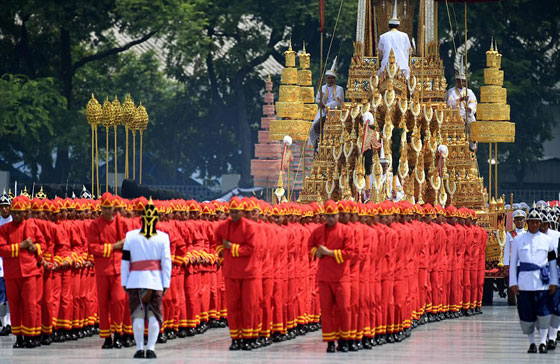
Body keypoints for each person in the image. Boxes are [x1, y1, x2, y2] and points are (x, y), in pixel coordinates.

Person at [121, 198, 171, 359]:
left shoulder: (130, 236)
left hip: (135, 280)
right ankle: (151, 348)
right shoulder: (163, 238)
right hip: (155, 281)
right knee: (154, 314)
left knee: (138, 314)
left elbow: (125, 262)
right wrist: (166, 283)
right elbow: (166, 263)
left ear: (141, 219)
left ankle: (139, 348)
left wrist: (124, 281)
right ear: (156, 219)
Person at [308, 200, 355, 353]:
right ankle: (329, 341)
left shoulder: (345, 231)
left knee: (344, 309)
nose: (330, 219)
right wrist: (317, 252)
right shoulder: (317, 231)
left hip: (341, 277)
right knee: (326, 310)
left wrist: (329, 253)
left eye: (333, 216)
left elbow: (350, 253)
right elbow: (310, 247)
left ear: (338, 216)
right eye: (327, 216)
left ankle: (344, 339)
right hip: (324, 277)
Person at [509, 206, 558, 354]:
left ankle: (543, 342)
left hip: (542, 284)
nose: (535, 225)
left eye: (537, 222)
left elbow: (552, 263)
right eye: (532, 222)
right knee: (526, 314)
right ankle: (532, 342)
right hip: (524, 283)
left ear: (540, 223)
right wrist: (513, 282)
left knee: (543, 313)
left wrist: (554, 282)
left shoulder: (548, 241)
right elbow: (513, 264)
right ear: (527, 223)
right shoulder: (518, 240)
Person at [214, 196, 259, 351]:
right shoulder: (223, 227)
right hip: (231, 272)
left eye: (236, 212)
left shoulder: (249, 227)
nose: (233, 215)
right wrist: (222, 255)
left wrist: (231, 248)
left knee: (248, 306)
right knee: (232, 307)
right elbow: (217, 242)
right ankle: (235, 338)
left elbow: (251, 249)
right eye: (232, 212)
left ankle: (247, 337)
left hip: (247, 273)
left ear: (241, 212)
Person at [308, 57, 345, 150]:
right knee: (314, 127)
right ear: (326, 78)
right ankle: (317, 145)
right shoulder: (322, 88)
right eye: (329, 78)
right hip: (322, 111)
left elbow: (338, 102)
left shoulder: (339, 89)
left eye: (332, 78)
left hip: (334, 113)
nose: (330, 80)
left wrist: (326, 106)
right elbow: (317, 99)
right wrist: (320, 102)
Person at [446, 58, 478, 152]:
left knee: (473, 124)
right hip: (456, 115)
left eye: (464, 81)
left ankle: (473, 145)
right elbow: (449, 103)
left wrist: (470, 108)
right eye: (461, 81)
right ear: (457, 81)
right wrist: (461, 99)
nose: (463, 83)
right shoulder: (451, 91)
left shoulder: (469, 91)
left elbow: (473, 102)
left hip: (467, 114)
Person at [377, 0, 412, 78]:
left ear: (389, 26)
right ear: (399, 26)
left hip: (386, 68)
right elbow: (409, 51)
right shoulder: (404, 36)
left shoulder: (383, 36)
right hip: (402, 67)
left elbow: (380, 53)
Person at [504, 209, 527, 305]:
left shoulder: (527, 233)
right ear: (514, 221)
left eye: (521, 219)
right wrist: (506, 263)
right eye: (517, 219)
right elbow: (506, 249)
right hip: (514, 263)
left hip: (525, 263)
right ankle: (513, 300)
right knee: (513, 282)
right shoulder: (510, 234)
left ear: (524, 221)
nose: (519, 222)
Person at [0, 190, 12, 336]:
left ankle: (8, 323)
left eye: (6, 206)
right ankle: (3, 323)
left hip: (10, 263)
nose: (4, 208)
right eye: (2, 206)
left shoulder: (12, 222)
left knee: (10, 297)